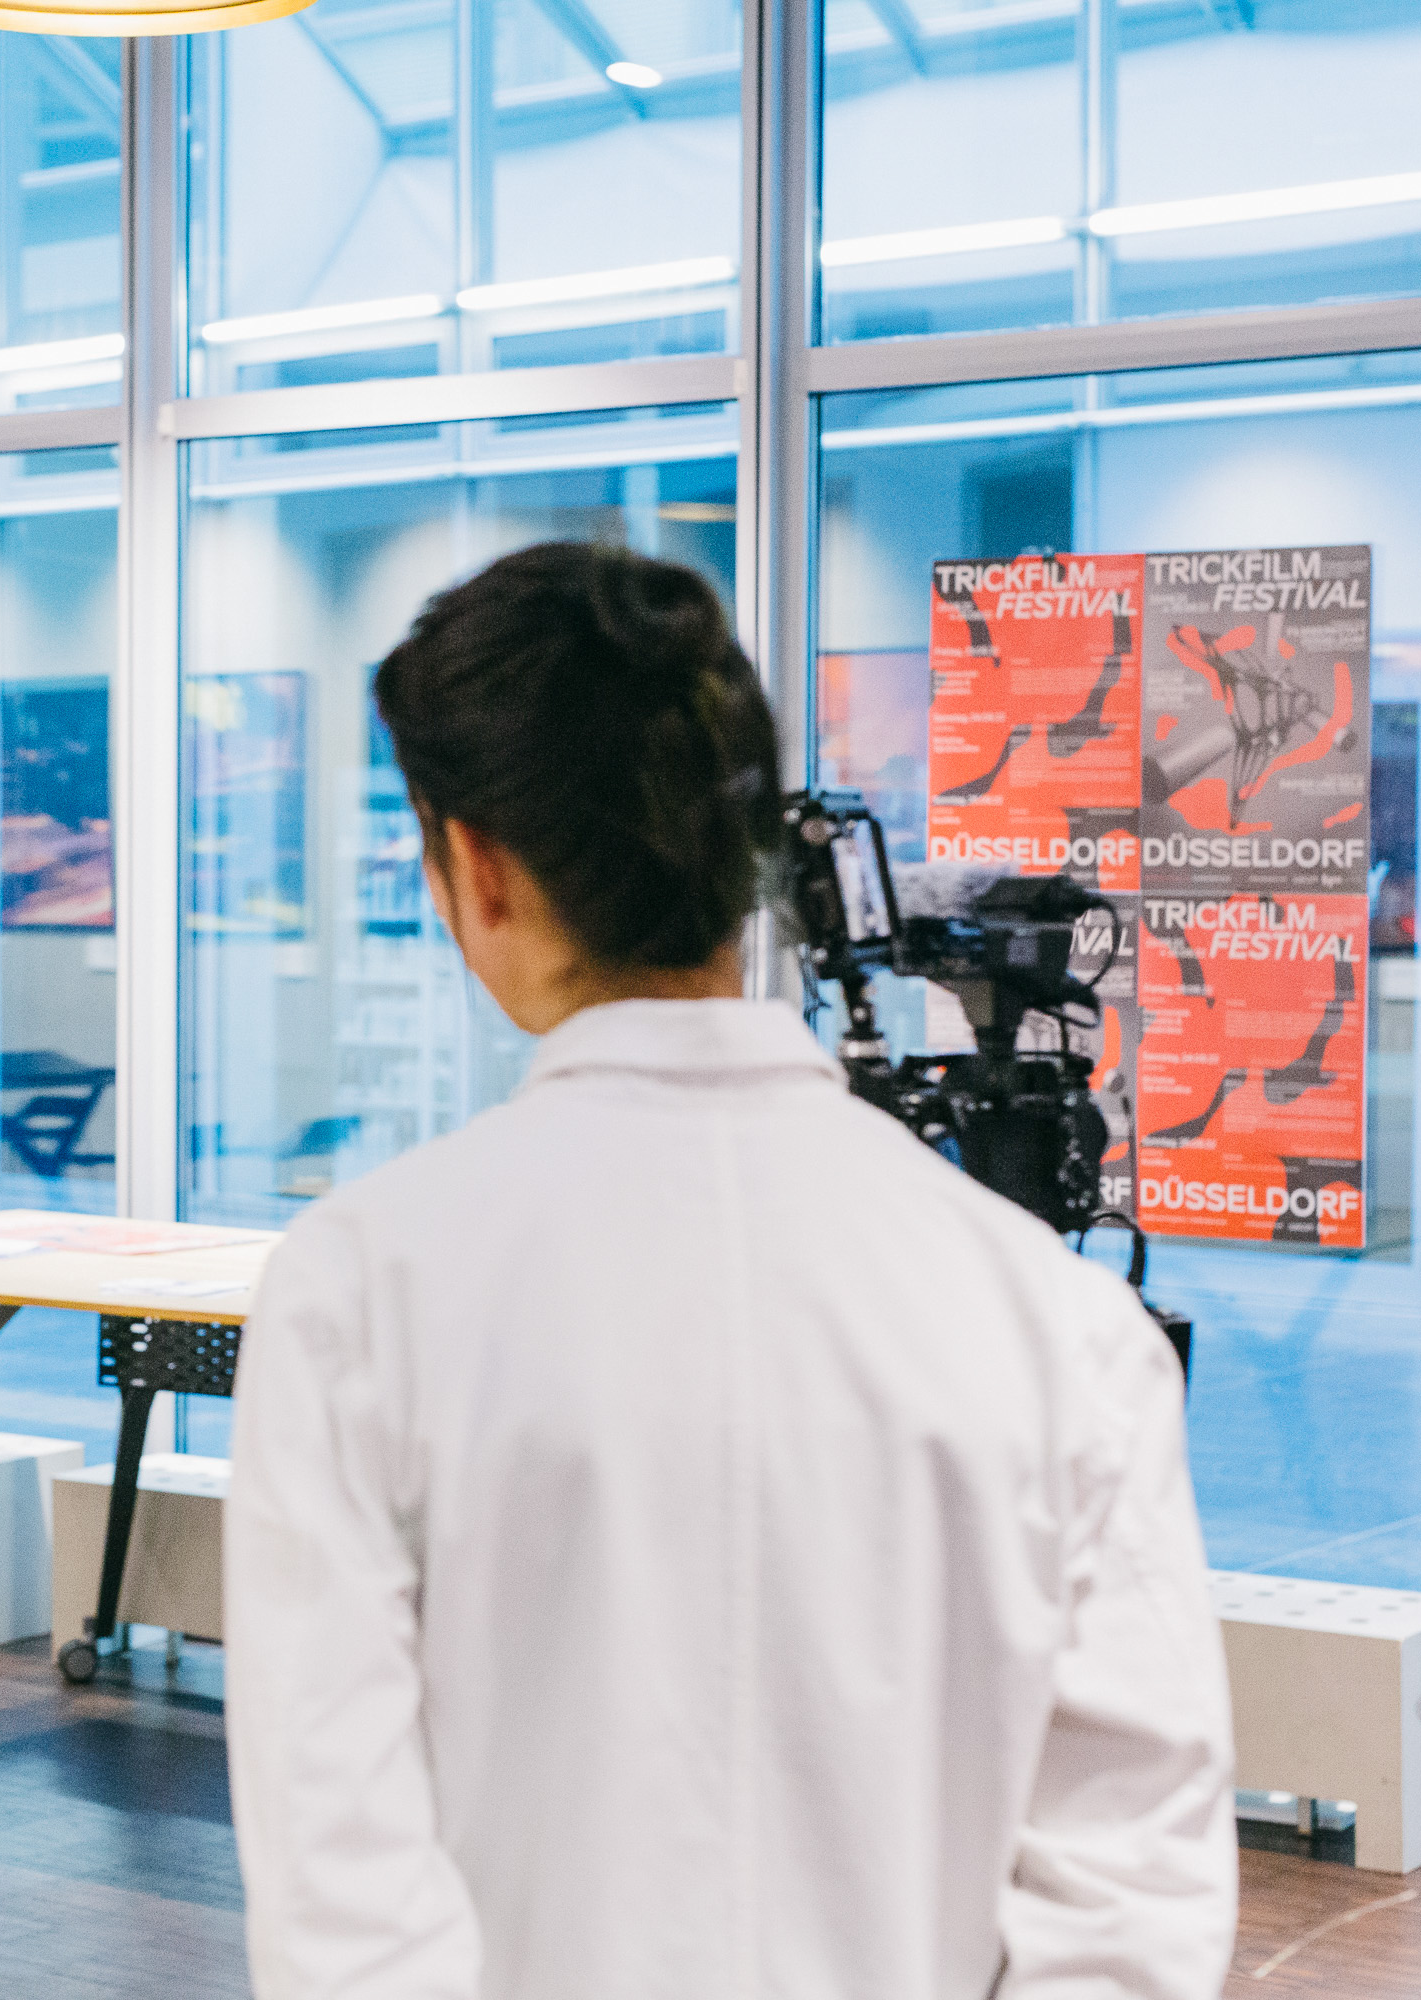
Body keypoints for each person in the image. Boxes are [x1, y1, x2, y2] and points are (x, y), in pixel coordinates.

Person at [223, 543, 1236, 1999]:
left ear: (478, 868)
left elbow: (347, 1894)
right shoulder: (1057, 1321)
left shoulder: (362, 1291)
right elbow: (1132, 1896)